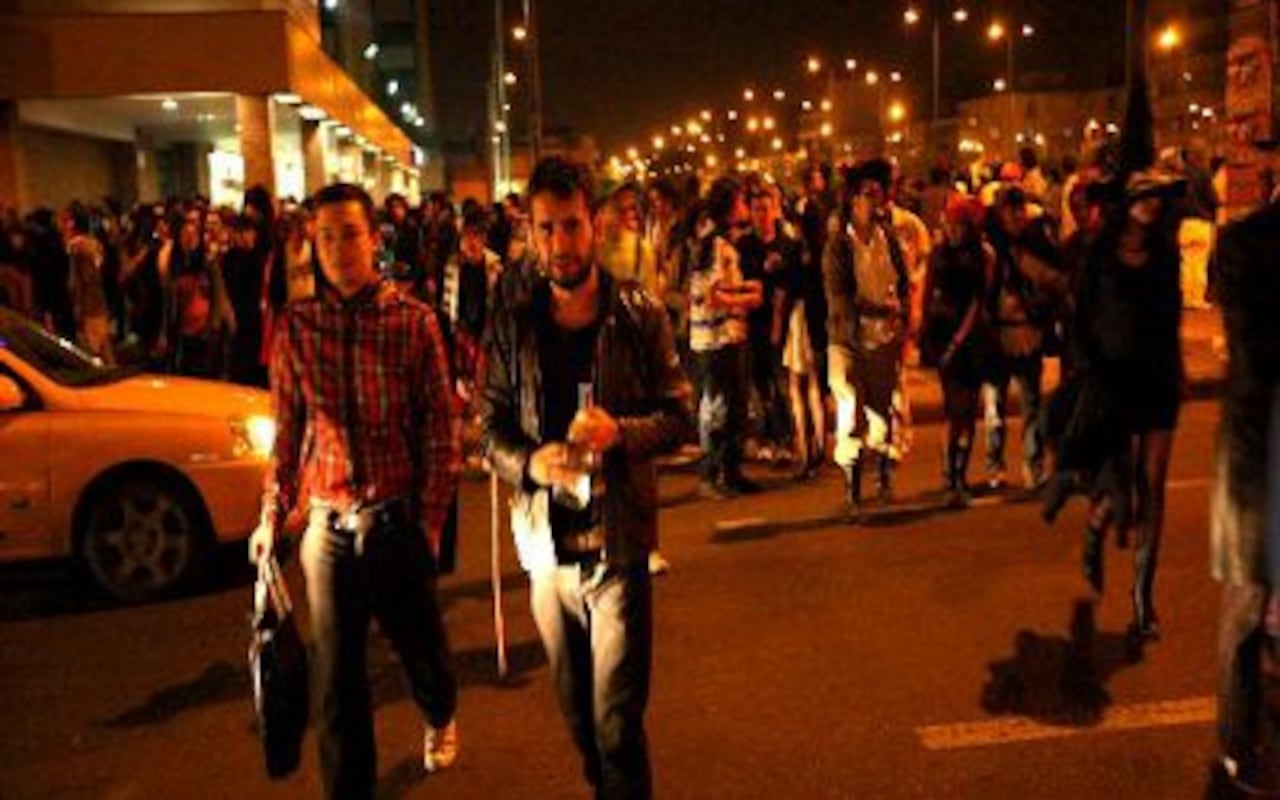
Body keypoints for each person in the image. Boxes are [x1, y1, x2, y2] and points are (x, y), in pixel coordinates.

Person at [481, 156, 692, 799]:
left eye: (571, 225)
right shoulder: (513, 324)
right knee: (579, 716)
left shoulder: (638, 314)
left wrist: (619, 432)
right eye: (545, 228)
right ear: (529, 231)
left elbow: (680, 415)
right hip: (547, 549)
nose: (560, 243)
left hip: (618, 543)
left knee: (617, 721)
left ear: (595, 225)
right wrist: (529, 462)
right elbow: (488, 428)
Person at [249, 183, 461, 800]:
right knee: (337, 683)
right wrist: (272, 513)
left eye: (350, 234)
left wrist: (429, 522)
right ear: (313, 245)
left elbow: (441, 429)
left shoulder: (412, 322)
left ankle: (439, 710)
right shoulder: (297, 328)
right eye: (326, 237)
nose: (339, 248)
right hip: (327, 528)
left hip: (396, 520)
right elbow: (288, 431)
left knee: (422, 652)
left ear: (374, 239)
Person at [1210, 141, 1280, 794]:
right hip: (1261, 449)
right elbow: (1253, 355)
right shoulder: (1246, 244)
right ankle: (1239, 744)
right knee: (1249, 607)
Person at [824, 159, 911, 514]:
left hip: (884, 338)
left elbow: (902, 281)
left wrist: (900, 313)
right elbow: (840, 297)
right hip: (848, 338)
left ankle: (884, 478)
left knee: (881, 411)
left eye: (879, 193)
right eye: (868, 194)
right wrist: (878, 310)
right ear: (854, 199)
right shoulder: (839, 244)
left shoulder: (887, 237)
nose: (876, 201)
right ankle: (853, 488)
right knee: (850, 410)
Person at [689, 176, 764, 499]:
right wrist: (747, 299)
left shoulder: (720, 242)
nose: (745, 206)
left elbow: (721, 287)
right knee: (719, 407)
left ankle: (731, 472)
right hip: (717, 339)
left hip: (729, 336)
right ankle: (713, 473)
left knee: (735, 406)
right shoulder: (714, 245)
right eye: (741, 201)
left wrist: (746, 288)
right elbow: (710, 295)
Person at [921, 196, 993, 507]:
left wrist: (960, 339)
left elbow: (979, 300)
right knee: (953, 407)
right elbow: (928, 291)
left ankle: (960, 472)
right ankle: (950, 472)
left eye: (958, 225)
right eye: (948, 224)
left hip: (971, 336)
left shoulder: (980, 255)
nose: (952, 230)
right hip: (943, 331)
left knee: (969, 407)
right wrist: (925, 329)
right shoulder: (938, 254)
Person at [64, 206, 114, 364]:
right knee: (104, 343)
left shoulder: (75, 246)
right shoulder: (96, 244)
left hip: (87, 303)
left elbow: (77, 279)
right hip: (100, 300)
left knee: (91, 349)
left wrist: (77, 304)